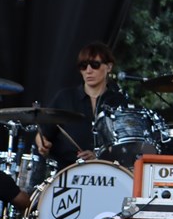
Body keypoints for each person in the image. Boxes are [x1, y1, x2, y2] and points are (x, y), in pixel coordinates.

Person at [35, 41, 126, 171]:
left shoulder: (119, 101)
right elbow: (42, 133)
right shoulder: (65, 97)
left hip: (107, 174)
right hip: (66, 171)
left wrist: (98, 157)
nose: (88, 71)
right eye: (83, 66)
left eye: (95, 65)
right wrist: (42, 145)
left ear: (109, 67)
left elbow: (125, 145)